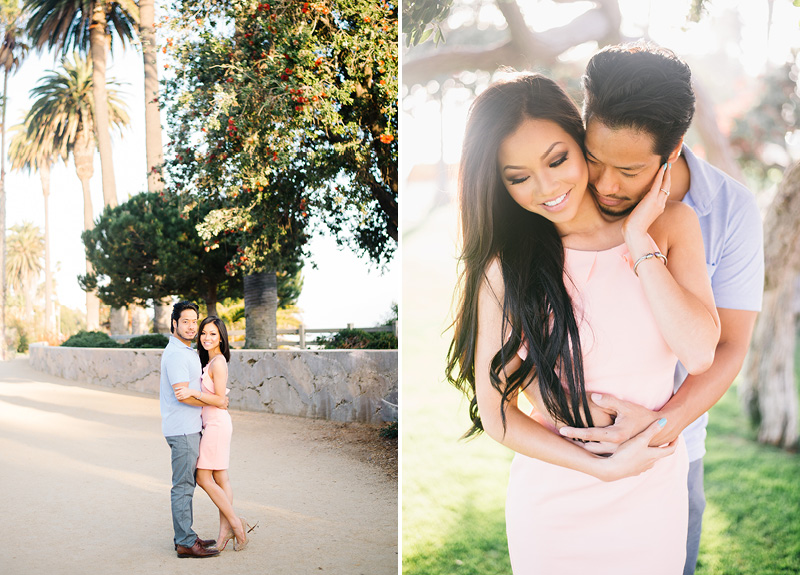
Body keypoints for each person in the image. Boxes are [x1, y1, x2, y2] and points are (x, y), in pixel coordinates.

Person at [446, 72, 721, 573]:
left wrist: (638, 242)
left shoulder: (671, 226)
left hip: (650, 492)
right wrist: (604, 467)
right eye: (519, 177)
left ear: (581, 142)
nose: (547, 187)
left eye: (557, 160)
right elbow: (498, 416)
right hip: (555, 505)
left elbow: (700, 353)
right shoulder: (505, 269)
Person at [556, 42, 764, 575]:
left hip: (674, 449)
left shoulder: (731, 210)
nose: (604, 185)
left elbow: (730, 346)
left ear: (672, 154)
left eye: (629, 171)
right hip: (570, 450)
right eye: (595, 158)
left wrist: (657, 428)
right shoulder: (561, 197)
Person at [174, 316, 250, 551]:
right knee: (220, 478)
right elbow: (219, 399)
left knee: (202, 477)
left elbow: (219, 400)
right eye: (204, 333)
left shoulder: (218, 362)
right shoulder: (208, 360)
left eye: (213, 334)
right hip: (213, 424)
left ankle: (236, 524)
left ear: (221, 338)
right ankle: (225, 531)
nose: (206, 338)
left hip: (217, 425)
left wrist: (190, 392)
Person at [160, 300, 226, 558]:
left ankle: (185, 535)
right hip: (183, 429)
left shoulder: (186, 350)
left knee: (186, 484)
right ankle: (186, 543)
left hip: (188, 427)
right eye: (184, 321)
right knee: (184, 486)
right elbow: (182, 395)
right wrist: (215, 400)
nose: (190, 327)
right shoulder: (177, 353)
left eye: (193, 321)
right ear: (174, 323)